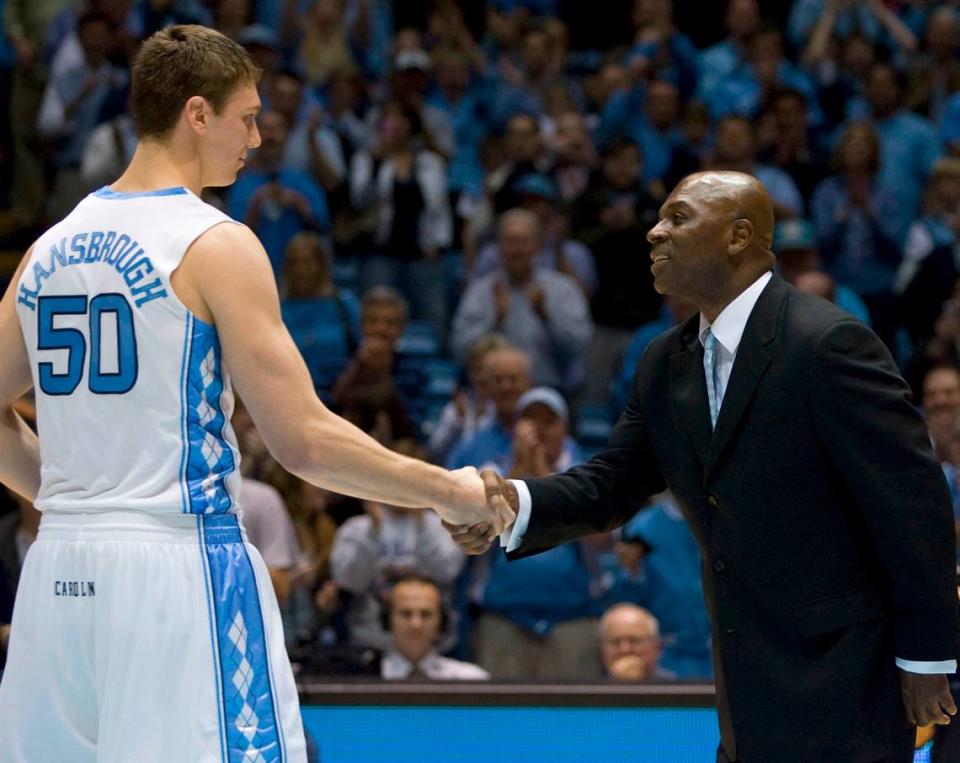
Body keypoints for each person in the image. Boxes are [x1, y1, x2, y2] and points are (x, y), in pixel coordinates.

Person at [0, 25, 508, 763]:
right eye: (247, 115)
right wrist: (447, 490)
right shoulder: (213, 241)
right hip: (176, 569)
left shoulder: (48, 247)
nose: (259, 136)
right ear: (197, 114)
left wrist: (79, 499)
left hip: (58, 576)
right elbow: (302, 440)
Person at [449, 171, 960, 762]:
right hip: (743, 679)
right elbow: (615, 480)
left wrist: (927, 657)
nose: (654, 232)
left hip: (843, 672)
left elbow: (911, 502)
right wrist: (514, 503)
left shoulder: (829, 343)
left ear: (739, 236)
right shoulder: (666, 361)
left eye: (678, 218)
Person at [381, 574, 488, 680]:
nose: (416, 624)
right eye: (406, 614)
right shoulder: (367, 677)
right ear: (387, 620)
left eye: (426, 614)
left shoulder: (471, 679)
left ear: (442, 621)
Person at [598, 603, 675, 682]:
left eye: (634, 641)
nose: (625, 649)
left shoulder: (676, 688)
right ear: (602, 651)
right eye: (615, 642)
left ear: (656, 647)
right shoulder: (588, 688)